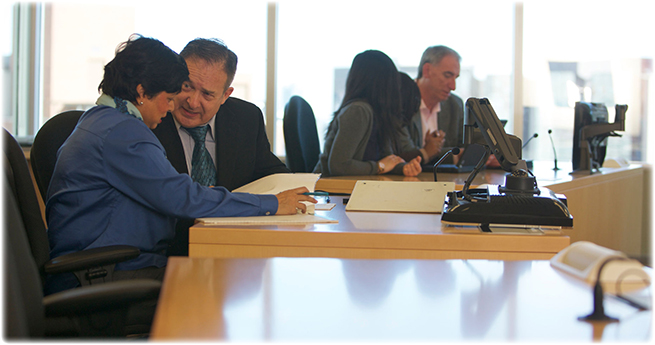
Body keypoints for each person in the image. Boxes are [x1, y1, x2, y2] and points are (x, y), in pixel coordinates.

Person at [46, 35, 314, 294]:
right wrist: (272, 204)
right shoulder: (125, 133)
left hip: (110, 266)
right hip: (104, 274)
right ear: (142, 92)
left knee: (232, 280)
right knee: (223, 287)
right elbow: (182, 197)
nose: (172, 106)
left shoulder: (101, 120)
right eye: (170, 96)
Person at [151, 38, 290, 255]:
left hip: (235, 248)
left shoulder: (246, 118)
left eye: (207, 94)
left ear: (226, 95)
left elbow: (271, 175)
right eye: (186, 86)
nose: (193, 102)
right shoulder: (151, 121)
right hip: (166, 253)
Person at [313, 50, 422, 177]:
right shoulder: (358, 111)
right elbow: (339, 166)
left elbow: (386, 160)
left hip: (355, 188)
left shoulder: (379, 114)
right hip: (331, 191)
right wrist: (378, 167)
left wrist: (403, 168)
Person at [405, 45, 464, 165]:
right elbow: (401, 155)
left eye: (455, 77)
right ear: (427, 70)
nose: (453, 86)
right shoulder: (401, 101)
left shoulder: (454, 105)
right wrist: (428, 152)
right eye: (447, 75)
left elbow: (462, 153)